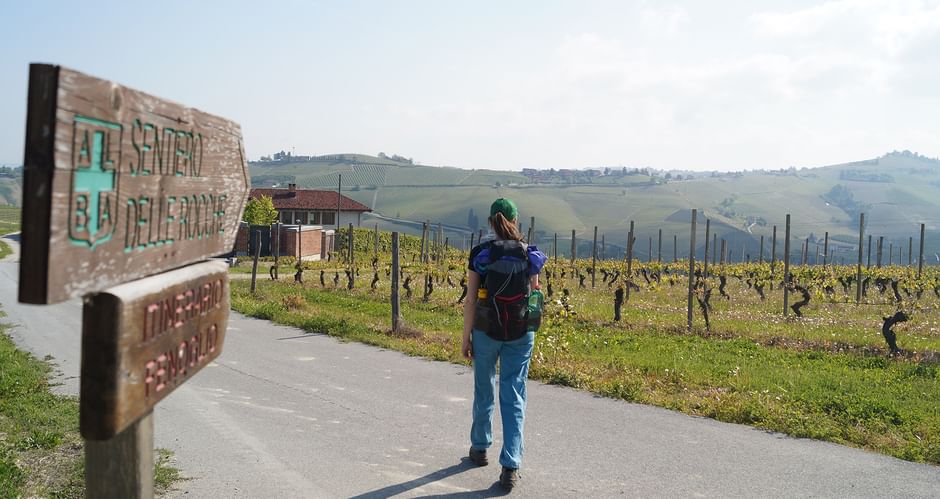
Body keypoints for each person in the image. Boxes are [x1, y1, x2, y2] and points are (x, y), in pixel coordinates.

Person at [462, 198, 546, 491]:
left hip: (486, 331)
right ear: (516, 220)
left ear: (491, 222)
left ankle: (480, 448)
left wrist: (466, 337)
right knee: (514, 395)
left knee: (484, 388)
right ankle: (510, 465)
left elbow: (471, 299)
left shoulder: (481, 254)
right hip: (521, 333)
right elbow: (534, 293)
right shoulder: (530, 255)